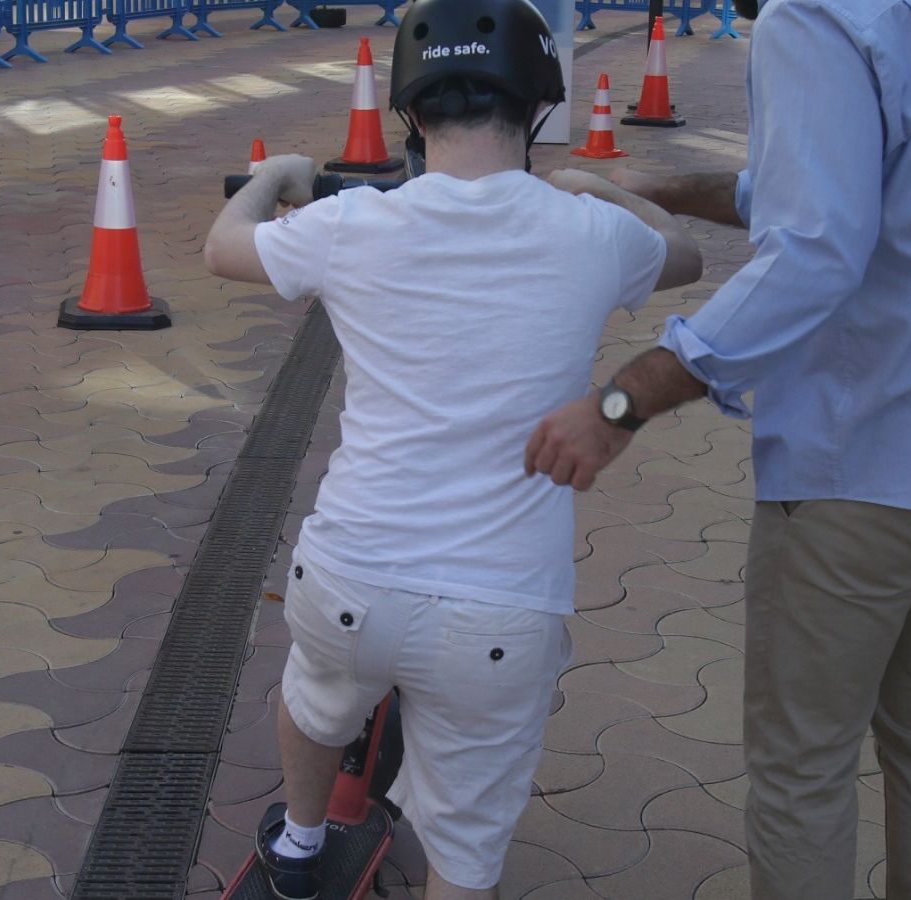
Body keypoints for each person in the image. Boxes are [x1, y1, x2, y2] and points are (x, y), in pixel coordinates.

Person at [522, 0, 911, 897]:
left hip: (869, 462)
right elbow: (848, 184)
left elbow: (815, 247)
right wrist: (653, 187)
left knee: (802, 767)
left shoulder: (810, 17)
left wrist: (624, 401)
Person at [203, 1, 701, 897]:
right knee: (467, 848)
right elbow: (686, 255)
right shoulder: (590, 235)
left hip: (349, 577)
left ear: (410, 114)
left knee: (315, 701)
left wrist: (273, 172)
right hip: (498, 614)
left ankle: (302, 845)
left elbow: (223, 249)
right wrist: (603, 188)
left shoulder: (352, 225)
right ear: (538, 105)